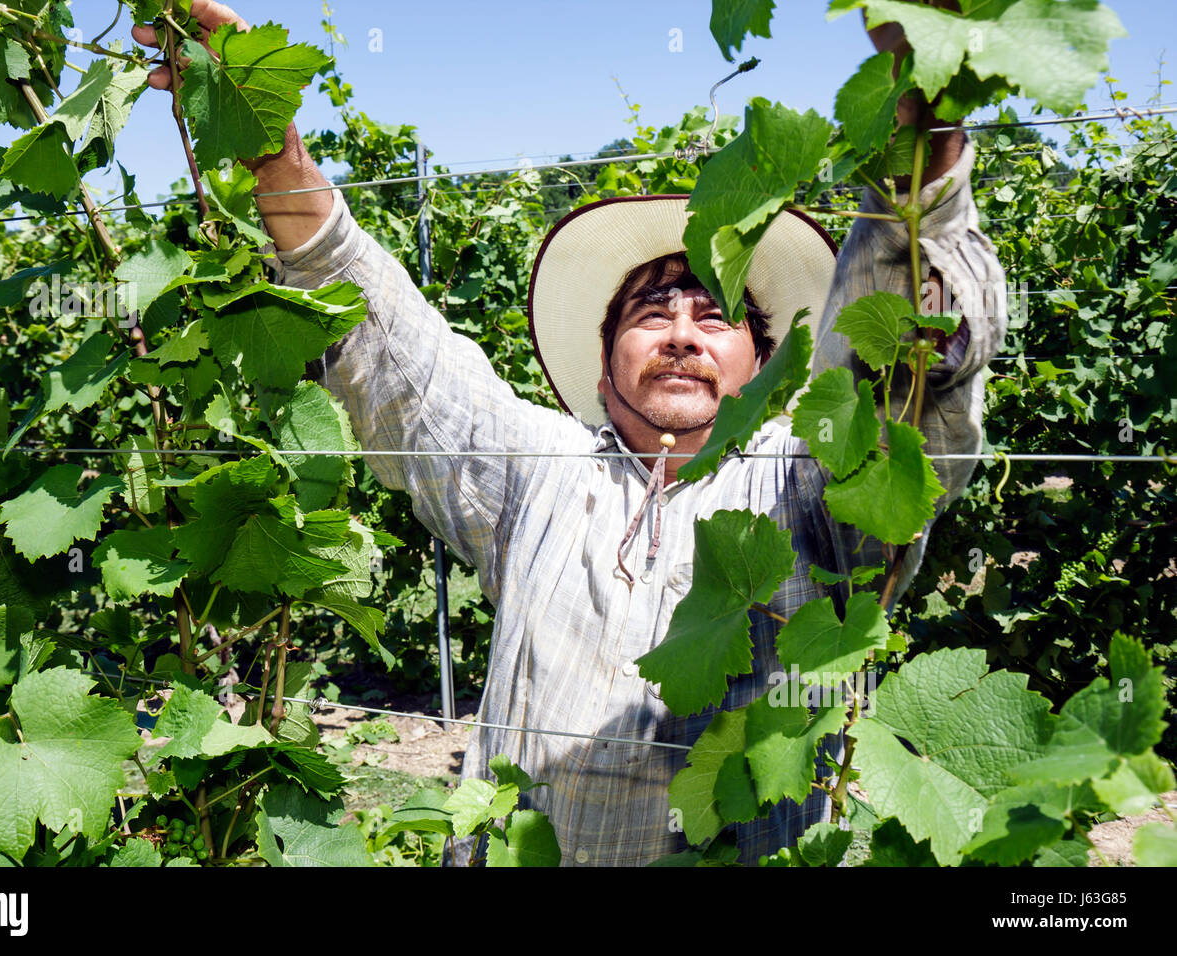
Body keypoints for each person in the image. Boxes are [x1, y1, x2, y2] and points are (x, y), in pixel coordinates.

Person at [135, 1, 1006, 866]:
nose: (679, 335)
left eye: (717, 317)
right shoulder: (539, 471)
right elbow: (400, 359)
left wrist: (921, 99)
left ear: (768, 367)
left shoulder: (805, 490)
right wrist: (273, 148)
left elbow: (901, 369)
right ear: (601, 366)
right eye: (649, 314)